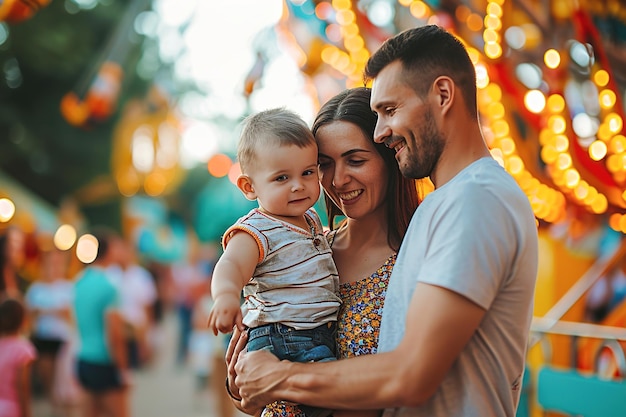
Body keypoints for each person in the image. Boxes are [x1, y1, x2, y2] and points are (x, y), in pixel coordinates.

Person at [231, 25, 539, 417]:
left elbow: (410, 374)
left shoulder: (475, 198)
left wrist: (279, 378)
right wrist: (250, 374)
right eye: (323, 166)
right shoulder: (448, 202)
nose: (382, 132)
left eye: (390, 110)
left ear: (443, 95)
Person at [255, 87, 420, 417]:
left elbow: (410, 381)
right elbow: (250, 373)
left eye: (355, 161)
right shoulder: (305, 249)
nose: (338, 179)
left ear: (390, 159)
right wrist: (239, 387)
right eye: (324, 165)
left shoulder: (416, 260)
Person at [207, 108, 342, 417]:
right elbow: (230, 265)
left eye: (308, 172)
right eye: (282, 177)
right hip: (284, 334)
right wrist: (227, 296)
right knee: (332, 394)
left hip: (311, 332)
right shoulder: (257, 229)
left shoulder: (309, 219)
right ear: (249, 187)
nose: (298, 185)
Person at [73, 227, 131, 417]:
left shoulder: (79, 282)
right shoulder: (109, 287)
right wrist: (122, 370)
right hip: (104, 362)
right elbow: (114, 334)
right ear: (108, 251)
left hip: (83, 359)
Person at [24, 247, 75, 413]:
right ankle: (55, 408)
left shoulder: (68, 287)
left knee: (63, 383)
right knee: (47, 379)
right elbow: (28, 317)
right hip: (44, 339)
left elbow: (70, 314)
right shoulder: (36, 289)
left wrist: (45, 311)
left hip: (63, 340)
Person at [0, 297, 37, 417]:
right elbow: (22, 386)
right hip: (12, 409)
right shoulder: (23, 349)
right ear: (23, 320)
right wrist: (26, 413)